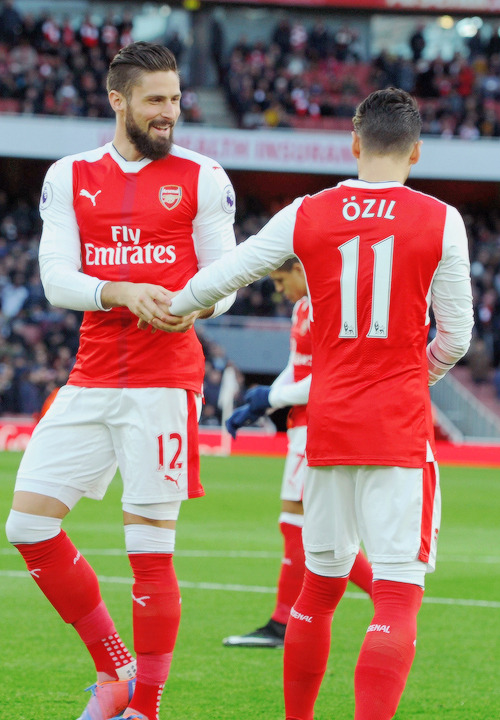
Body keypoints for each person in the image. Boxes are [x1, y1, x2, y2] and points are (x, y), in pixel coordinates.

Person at [163, 88, 474, 719]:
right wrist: (420, 378)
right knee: (394, 599)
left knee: (318, 589)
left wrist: (171, 307)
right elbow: (457, 336)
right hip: (398, 431)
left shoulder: (307, 213)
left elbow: (230, 272)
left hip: (327, 429)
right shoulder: (442, 218)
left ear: (354, 145)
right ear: (417, 151)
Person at [5, 41, 236, 720]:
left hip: (164, 385)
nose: (170, 113)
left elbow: (223, 280)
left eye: (175, 100)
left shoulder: (202, 176)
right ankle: (116, 668)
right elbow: (57, 279)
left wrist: (186, 302)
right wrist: (118, 289)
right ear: (118, 101)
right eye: (156, 101)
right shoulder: (69, 175)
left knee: (148, 550)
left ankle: (145, 708)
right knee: (27, 525)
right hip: (92, 375)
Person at [223, 257, 373, 648]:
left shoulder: (335, 307)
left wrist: (270, 397)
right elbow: (298, 367)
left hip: (323, 425)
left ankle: (284, 623)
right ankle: (286, 622)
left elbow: (329, 379)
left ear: (303, 269)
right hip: (303, 425)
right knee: (307, 523)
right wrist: (263, 403)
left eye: (280, 279)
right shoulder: (302, 306)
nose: (277, 288)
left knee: (299, 521)